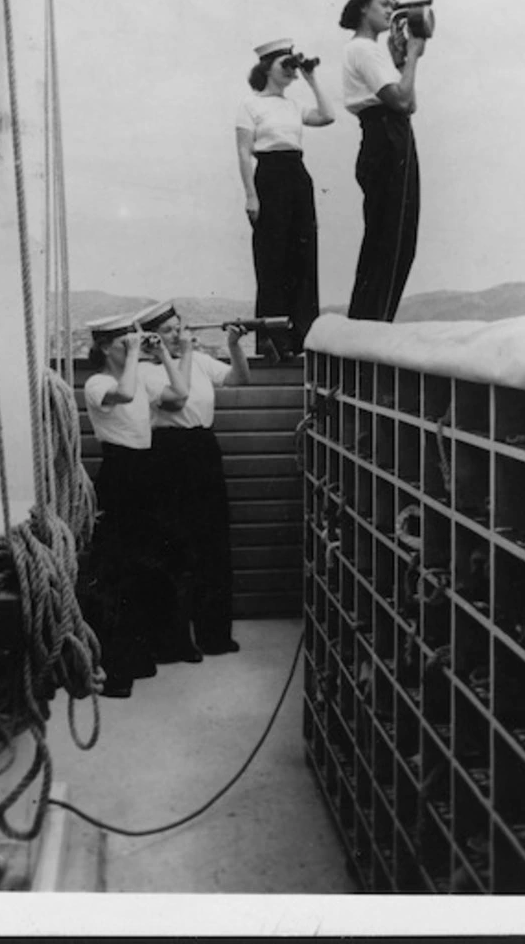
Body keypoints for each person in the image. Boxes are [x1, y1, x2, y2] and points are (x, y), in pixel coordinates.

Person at [81, 311, 197, 697]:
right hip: (120, 472)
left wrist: (164, 354)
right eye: (121, 342)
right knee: (119, 573)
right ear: (102, 347)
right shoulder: (97, 383)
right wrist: (134, 354)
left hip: (147, 472)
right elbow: (125, 393)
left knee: (154, 566)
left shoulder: (139, 375)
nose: (129, 347)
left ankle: (145, 653)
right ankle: (117, 668)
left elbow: (180, 396)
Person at [135, 299, 250, 656]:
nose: (176, 336)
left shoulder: (198, 361)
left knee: (212, 543)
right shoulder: (144, 372)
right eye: (166, 332)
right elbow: (176, 402)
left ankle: (214, 635)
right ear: (150, 340)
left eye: (177, 329)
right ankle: (172, 641)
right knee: (172, 546)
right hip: (167, 452)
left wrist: (233, 346)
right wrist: (181, 355)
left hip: (202, 448)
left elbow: (239, 378)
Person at [235, 38, 334, 359]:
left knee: (303, 257)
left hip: (297, 174)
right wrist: (251, 195)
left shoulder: (293, 106)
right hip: (270, 176)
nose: (291, 70)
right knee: (271, 257)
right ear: (267, 67)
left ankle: (301, 338)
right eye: (286, 64)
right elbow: (243, 151)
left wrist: (310, 78)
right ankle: (272, 341)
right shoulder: (250, 106)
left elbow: (327, 115)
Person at [340, 0, 427, 322]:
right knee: (392, 240)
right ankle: (371, 325)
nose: (391, 11)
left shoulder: (370, 51)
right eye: (384, 4)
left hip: (387, 133)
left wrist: (402, 61)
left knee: (390, 236)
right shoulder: (363, 49)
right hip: (387, 136)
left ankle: (371, 322)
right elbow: (402, 101)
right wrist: (414, 58)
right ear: (363, 8)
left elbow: (409, 103)